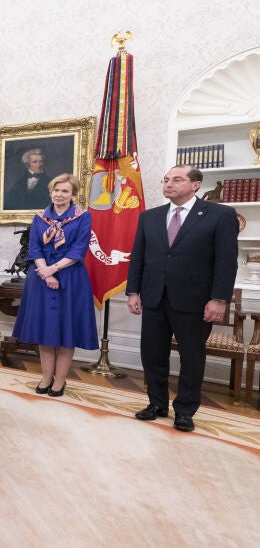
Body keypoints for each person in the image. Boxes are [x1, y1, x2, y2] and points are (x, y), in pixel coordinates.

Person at [126, 165, 238, 432]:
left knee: (192, 358)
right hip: (154, 297)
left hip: (195, 300)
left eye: (177, 180)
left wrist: (219, 299)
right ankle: (157, 404)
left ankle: (185, 411)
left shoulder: (220, 215)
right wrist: (133, 291)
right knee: (152, 354)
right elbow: (138, 257)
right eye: (166, 180)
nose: (169, 184)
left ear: (195, 185)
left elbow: (226, 261)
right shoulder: (150, 217)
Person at [11, 173, 98, 397]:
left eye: (65, 191)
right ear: (51, 192)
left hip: (71, 278)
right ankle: (46, 377)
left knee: (66, 331)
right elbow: (34, 248)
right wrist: (45, 271)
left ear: (73, 194)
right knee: (45, 329)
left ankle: (60, 380)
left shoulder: (82, 217)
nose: (59, 195)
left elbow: (79, 249)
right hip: (40, 279)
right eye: (56, 190)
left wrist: (54, 269)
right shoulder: (40, 218)